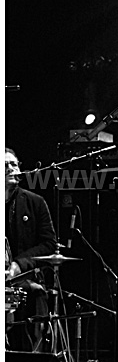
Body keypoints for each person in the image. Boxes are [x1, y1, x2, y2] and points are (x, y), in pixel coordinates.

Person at [5, 147, 57, 350]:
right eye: (5, 165)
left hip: (24, 281)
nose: (11, 168)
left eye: (14, 164)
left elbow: (49, 244)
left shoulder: (35, 202)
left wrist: (19, 264)